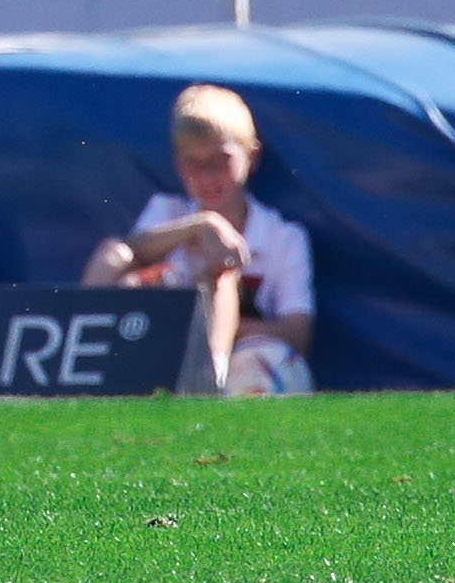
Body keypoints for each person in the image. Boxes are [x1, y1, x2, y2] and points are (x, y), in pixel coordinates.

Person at [80, 84, 316, 394]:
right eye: (194, 163)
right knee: (115, 254)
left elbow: (297, 333)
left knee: (220, 274)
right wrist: (198, 227)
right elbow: (128, 252)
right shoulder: (166, 211)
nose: (207, 177)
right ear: (178, 163)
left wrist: (206, 327)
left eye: (221, 160)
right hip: (161, 351)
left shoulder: (283, 238)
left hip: (240, 359)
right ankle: (80, 347)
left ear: (252, 157)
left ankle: (209, 380)